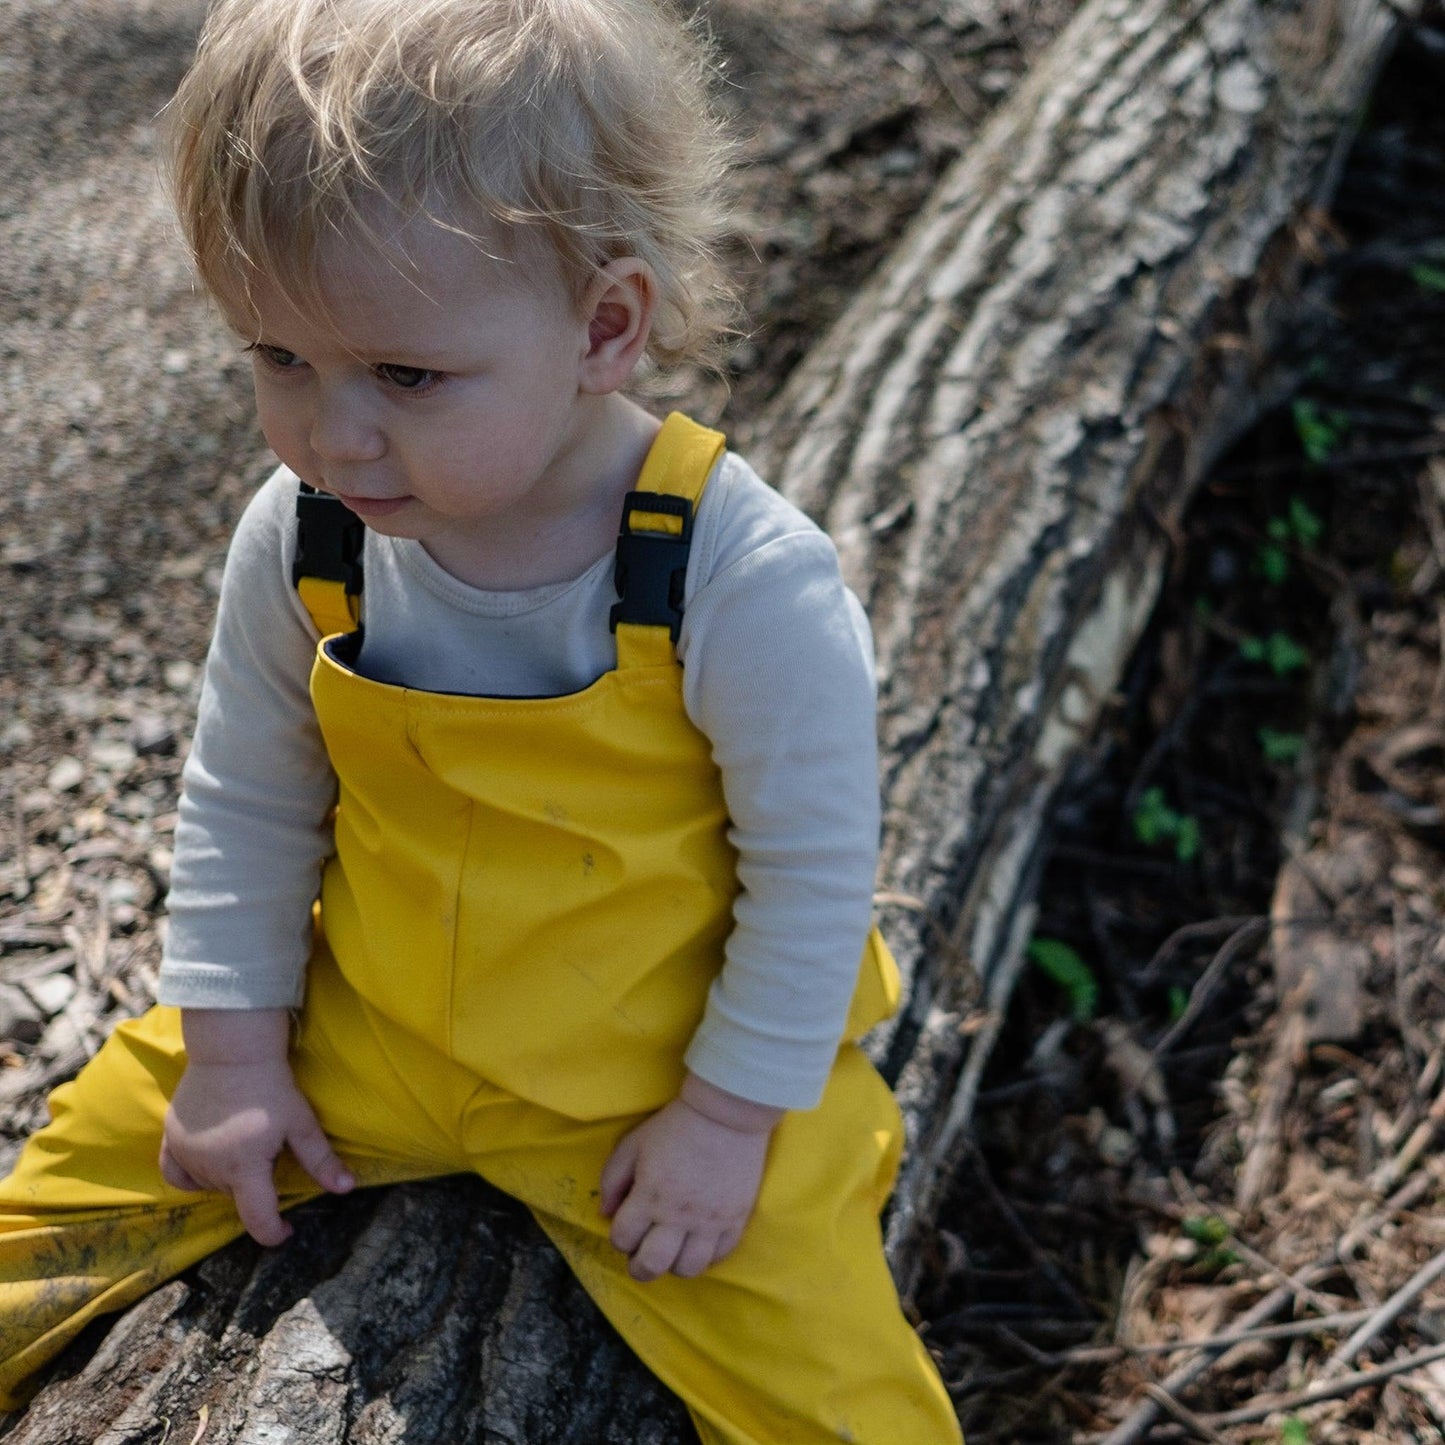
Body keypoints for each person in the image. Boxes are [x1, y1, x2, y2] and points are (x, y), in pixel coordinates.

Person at [0, 0, 962, 1439]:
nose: (332, 433)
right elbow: (248, 794)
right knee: (41, 1224)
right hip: (363, 1034)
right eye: (277, 357)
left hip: (643, 1087)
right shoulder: (309, 532)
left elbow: (813, 878)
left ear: (604, 326)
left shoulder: (734, 572)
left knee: (844, 1406)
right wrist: (236, 1052)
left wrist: (725, 1119)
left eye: (405, 374)